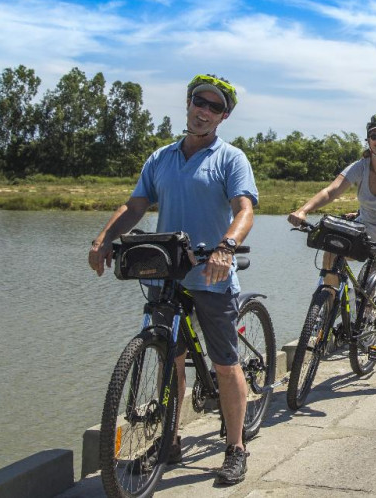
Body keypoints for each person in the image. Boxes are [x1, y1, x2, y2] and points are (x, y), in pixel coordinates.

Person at [88, 73, 258, 485]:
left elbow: (244, 210)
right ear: (188, 103)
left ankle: (235, 447)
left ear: (224, 116)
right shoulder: (160, 158)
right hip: (167, 275)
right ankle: (171, 438)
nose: (204, 111)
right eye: (199, 101)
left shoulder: (230, 158)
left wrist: (226, 248)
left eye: (214, 107)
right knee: (170, 360)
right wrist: (104, 238)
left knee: (224, 364)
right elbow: (134, 207)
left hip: (212, 275)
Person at [287, 113, 376, 395]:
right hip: (363, 234)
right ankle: (327, 301)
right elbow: (332, 190)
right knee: (331, 244)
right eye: (375, 136)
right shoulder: (360, 166)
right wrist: (303, 210)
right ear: (368, 138)